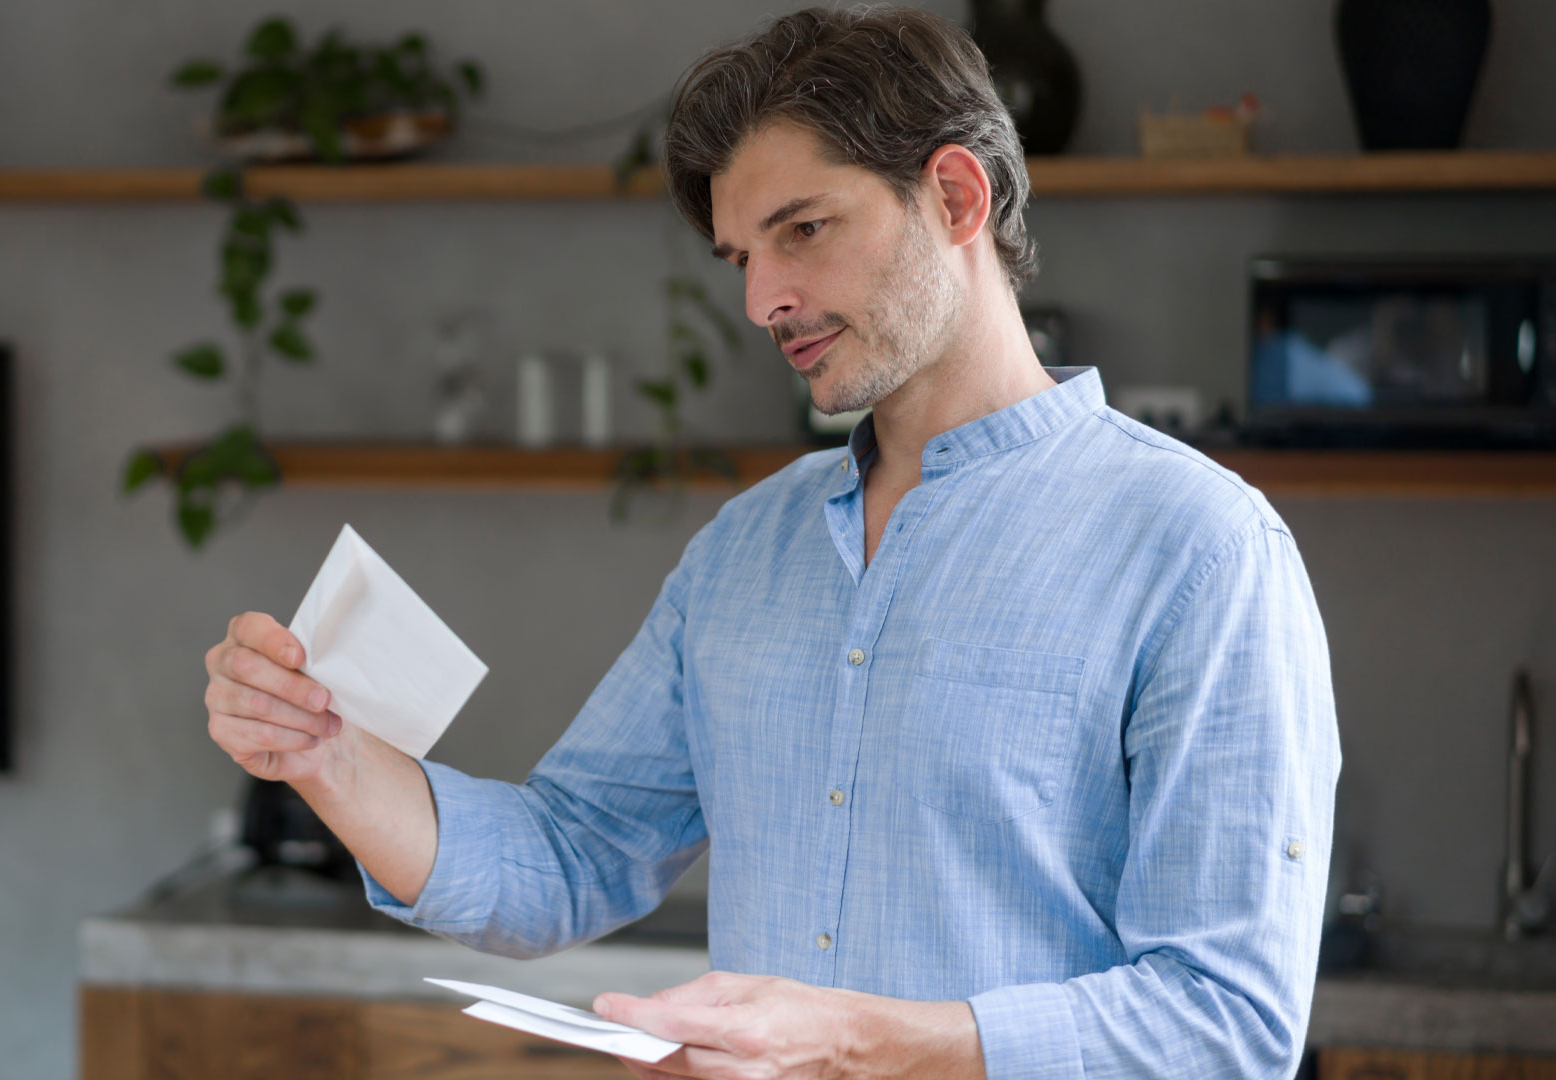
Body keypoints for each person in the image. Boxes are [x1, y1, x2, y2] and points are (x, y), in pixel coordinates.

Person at [202, 7, 1341, 1078]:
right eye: (743, 257)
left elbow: (1227, 1024)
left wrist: (859, 1040)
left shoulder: (1198, 550)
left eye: (803, 230)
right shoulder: (746, 550)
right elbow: (566, 857)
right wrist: (327, 758)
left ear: (954, 196)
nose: (764, 301)